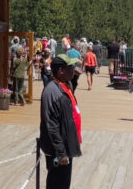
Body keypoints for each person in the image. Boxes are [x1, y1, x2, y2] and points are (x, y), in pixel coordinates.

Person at [40, 54, 82, 189]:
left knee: (64, 181)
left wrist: (75, 78)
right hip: (58, 148)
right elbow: (51, 124)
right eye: (70, 67)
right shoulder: (51, 91)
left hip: (67, 140)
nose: (73, 69)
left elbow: (67, 99)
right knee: (57, 182)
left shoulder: (65, 84)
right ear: (60, 71)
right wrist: (61, 152)